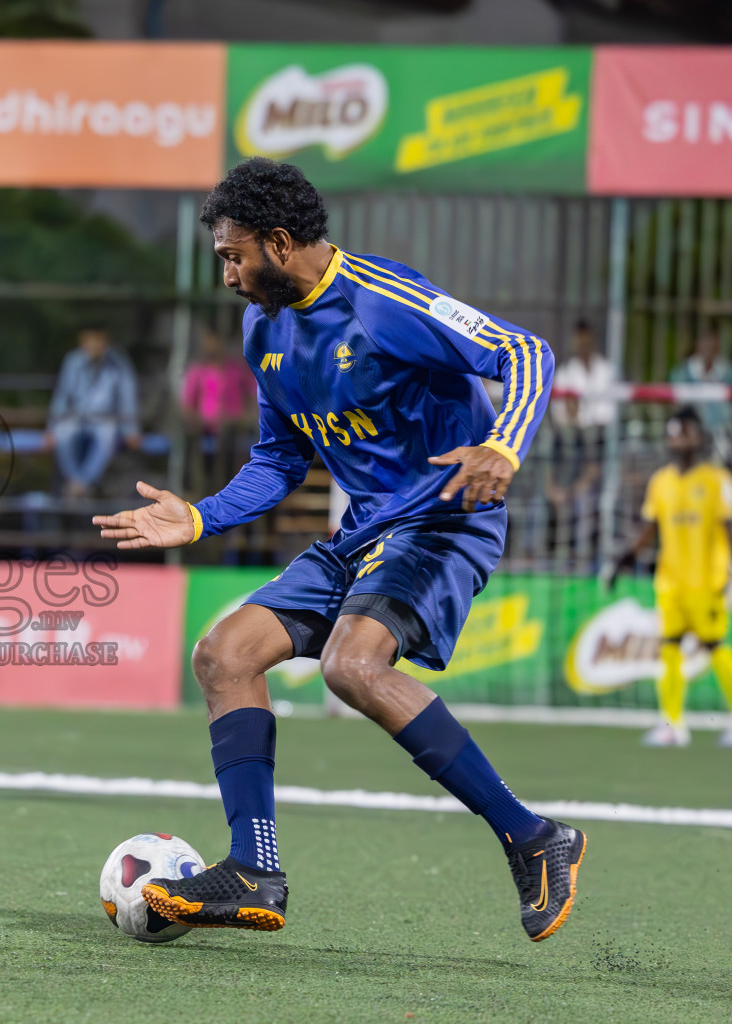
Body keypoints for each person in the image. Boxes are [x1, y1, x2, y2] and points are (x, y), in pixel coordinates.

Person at [93, 158, 581, 943]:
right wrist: (198, 518)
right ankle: (254, 869)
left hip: (443, 521)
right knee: (223, 655)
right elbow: (279, 459)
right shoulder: (264, 329)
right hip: (360, 534)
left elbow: (525, 354)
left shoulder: (387, 302)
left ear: (280, 243)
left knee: (352, 666)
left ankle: (534, 837)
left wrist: (503, 445)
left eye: (233, 255)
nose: (227, 274)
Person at [607, 406, 732, 748]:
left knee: (715, 645)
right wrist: (623, 561)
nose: (679, 438)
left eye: (686, 431)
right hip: (671, 581)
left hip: (709, 580)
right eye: (675, 432)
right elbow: (650, 528)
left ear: (699, 436)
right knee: (671, 648)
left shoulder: (717, 480)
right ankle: (673, 723)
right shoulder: (661, 480)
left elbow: (729, 526)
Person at [44, 325, 141, 498]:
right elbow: (61, 397)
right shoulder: (72, 361)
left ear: (106, 341)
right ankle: (78, 483)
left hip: (106, 420)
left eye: (99, 340)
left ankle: (80, 485)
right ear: (82, 340)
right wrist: (51, 429)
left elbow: (127, 399)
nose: (95, 345)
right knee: (63, 432)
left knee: (108, 434)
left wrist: (131, 430)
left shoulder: (119, 363)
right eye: (90, 339)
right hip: (76, 418)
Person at [547, 320, 615, 565]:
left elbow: (607, 417)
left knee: (589, 496)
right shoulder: (566, 373)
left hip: (601, 442)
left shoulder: (607, 371)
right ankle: (567, 552)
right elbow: (562, 417)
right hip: (571, 445)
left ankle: (585, 554)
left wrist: (581, 416)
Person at [180, 326, 253, 495]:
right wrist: (196, 421)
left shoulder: (236, 370)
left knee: (230, 442)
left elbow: (253, 394)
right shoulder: (197, 371)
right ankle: (197, 488)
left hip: (233, 428)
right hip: (204, 430)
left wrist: (243, 417)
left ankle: (229, 488)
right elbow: (187, 405)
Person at [669, 324, 732, 455]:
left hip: (722, 433)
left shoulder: (727, 373)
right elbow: (675, 406)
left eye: (712, 341)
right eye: (705, 340)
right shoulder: (682, 373)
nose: (708, 345)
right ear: (697, 343)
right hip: (692, 433)